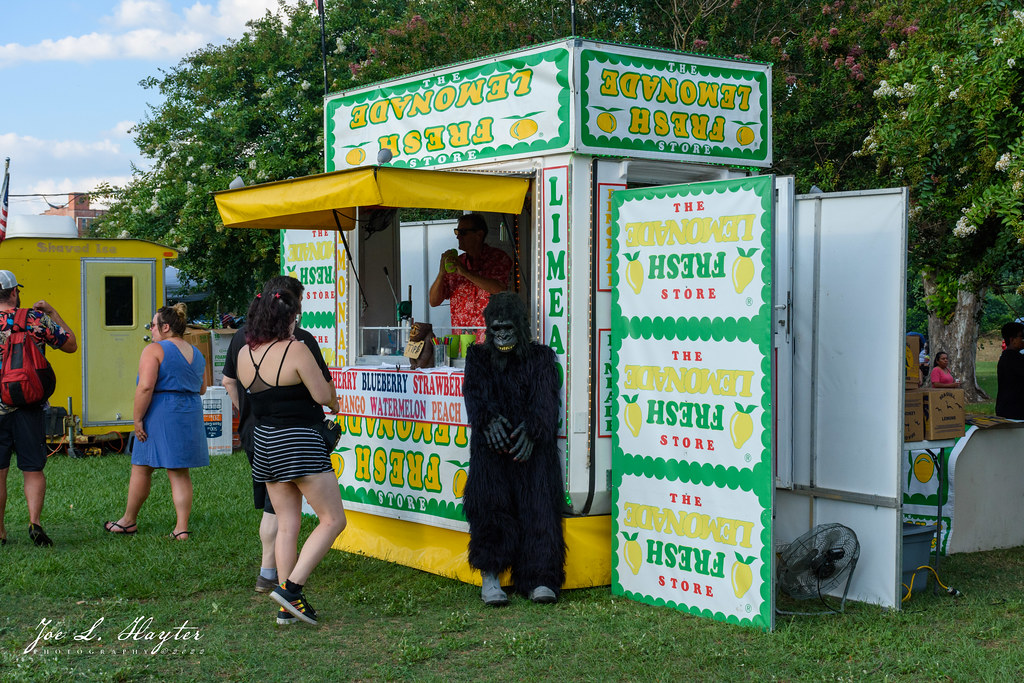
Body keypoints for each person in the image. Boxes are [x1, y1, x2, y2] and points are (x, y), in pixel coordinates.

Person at [233, 287, 344, 626]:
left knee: (287, 525)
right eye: (295, 317)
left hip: (264, 442)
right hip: (299, 441)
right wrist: (334, 400)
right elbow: (325, 396)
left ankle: (286, 609)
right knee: (333, 520)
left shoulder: (244, 353)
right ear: (288, 318)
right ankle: (291, 590)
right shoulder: (295, 350)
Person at [461, 292, 565, 605]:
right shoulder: (477, 358)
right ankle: (490, 576)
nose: (502, 336)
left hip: (531, 448)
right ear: (488, 330)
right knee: (489, 506)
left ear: (520, 327)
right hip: (492, 450)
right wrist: (486, 419)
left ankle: (540, 578)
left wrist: (533, 429)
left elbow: (548, 404)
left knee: (540, 509)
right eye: (496, 330)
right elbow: (474, 398)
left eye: (508, 329)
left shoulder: (541, 357)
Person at [104, 303, 208, 539]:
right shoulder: (197, 353)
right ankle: (182, 528)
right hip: (189, 411)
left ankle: (128, 521)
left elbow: (146, 387)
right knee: (180, 472)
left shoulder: (154, 350)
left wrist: (138, 419)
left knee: (141, 467)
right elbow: (201, 388)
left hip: (161, 411)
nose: (150, 329)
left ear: (166, 327)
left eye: (152, 325)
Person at [0, 270, 77, 547]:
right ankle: (34, 522)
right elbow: (71, 345)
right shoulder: (34, 319)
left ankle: (0, 532)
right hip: (29, 405)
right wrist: (53, 313)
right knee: (32, 468)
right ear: (14, 292)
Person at [429, 213, 512, 337]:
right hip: (462, 343)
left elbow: (499, 289)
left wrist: (466, 273)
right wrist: (441, 273)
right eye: (457, 232)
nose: (458, 237)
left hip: (492, 341)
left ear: (479, 235)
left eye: (462, 232)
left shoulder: (498, 258)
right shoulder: (457, 262)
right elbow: (434, 301)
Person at [996, 321, 1024, 419]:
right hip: (1014, 411)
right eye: (1021, 337)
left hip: (1008, 408)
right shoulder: (1013, 359)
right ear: (1012, 339)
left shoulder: (1008, 357)